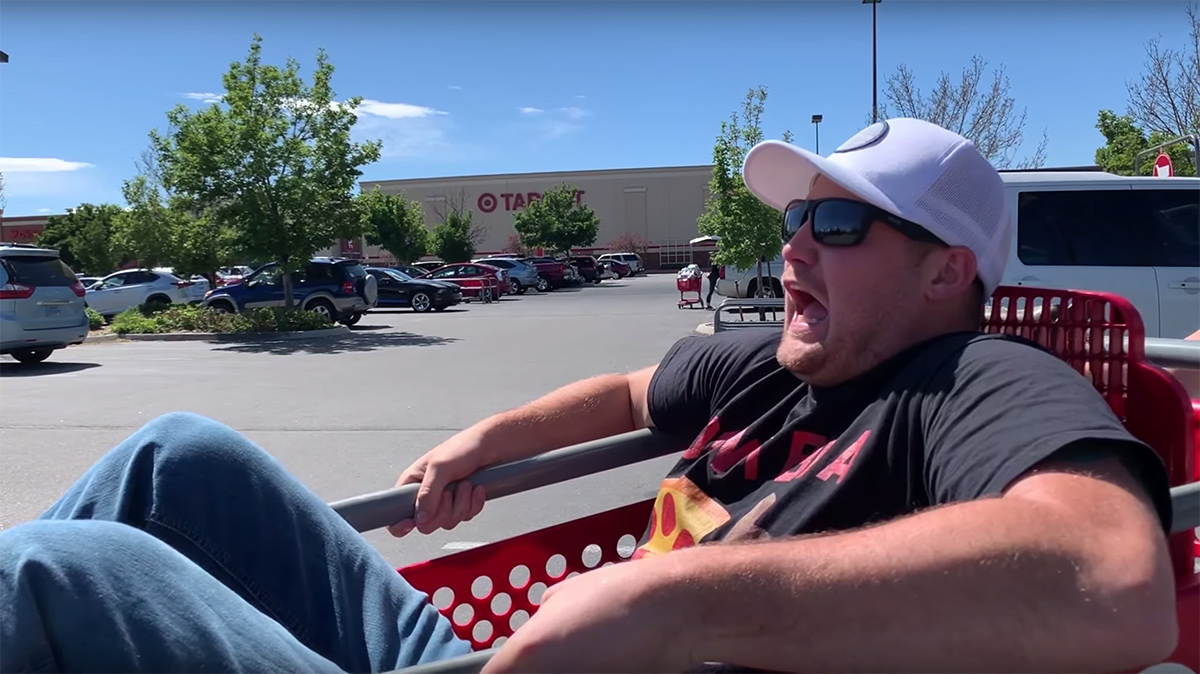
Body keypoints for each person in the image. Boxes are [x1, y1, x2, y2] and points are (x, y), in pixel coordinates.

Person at [0, 118, 1178, 674]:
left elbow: (1113, 580)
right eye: (791, 221)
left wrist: (688, 601)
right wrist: (484, 437)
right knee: (174, 450)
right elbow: (624, 383)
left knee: (67, 573)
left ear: (946, 268)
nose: (792, 251)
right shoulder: (779, 362)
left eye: (836, 221)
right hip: (485, 650)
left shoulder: (973, 378)